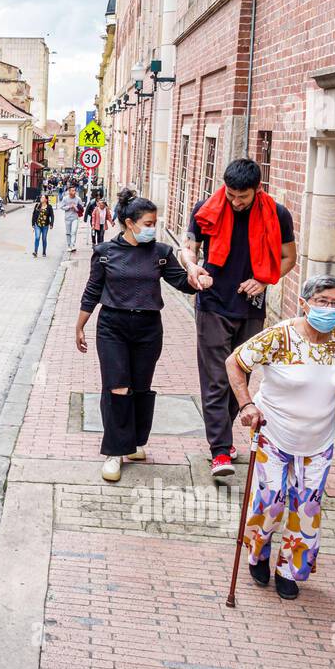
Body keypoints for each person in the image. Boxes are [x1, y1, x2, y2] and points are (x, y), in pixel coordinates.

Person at [225, 274, 335, 600]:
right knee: (271, 500)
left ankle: (289, 570)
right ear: (304, 304)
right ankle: (259, 550)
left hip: (318, 440)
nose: (330, 308)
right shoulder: (279, 336)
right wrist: (246, 404)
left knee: (307, 506)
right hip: (274, 433)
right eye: (322, 301)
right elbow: (234, 363)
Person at [179, 158, 297, 478]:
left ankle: (224, 437)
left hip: (251, 305)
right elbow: (188, 248)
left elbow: (289, 257)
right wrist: (193, 267)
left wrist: (264, 280)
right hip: (212, 301)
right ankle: (220, 450)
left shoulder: (277, 214)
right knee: (216, 378)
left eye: (241, 196)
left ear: (257, 189)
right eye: (230, 194)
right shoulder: (208, 208)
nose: (234, 201)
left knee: (239, 379)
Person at [75, 189, 203, 482]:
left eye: (154, 223)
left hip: (148, 327)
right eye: (147, 223)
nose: (152, 228)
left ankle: (133, 443)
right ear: (130, 223)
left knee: (141, 388)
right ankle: (114, 452)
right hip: (112, 326)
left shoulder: (160, 253)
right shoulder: (106, 253)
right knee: (117, 386)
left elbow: (180, 281)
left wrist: (199, 279)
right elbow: (93, 289)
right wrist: (80, 325)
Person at [59, 184, 84, 254]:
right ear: (69, 191)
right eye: (72, 191)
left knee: (73, 231)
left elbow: (81, 208)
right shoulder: (65, 198)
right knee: (68, 233)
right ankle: (69, 245)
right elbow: (61, 207)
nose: (74, 192)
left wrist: (75, 207)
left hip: (75, 218)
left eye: (75, 190)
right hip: (67, 218)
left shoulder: (78, 199)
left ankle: (73, 245)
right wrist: (69, 207)